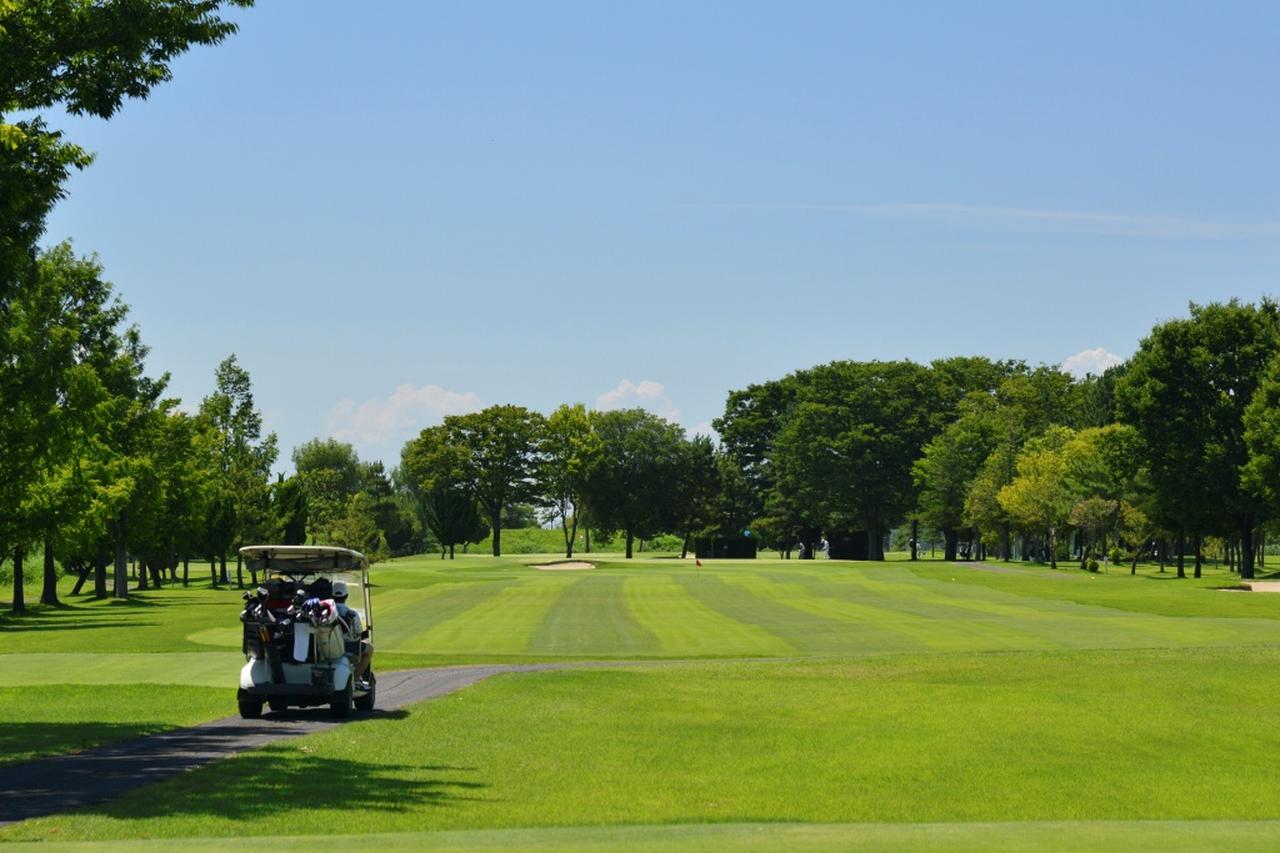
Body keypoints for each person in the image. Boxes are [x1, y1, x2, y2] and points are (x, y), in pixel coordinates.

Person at [332, 581, 373, 687]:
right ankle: (354, 679)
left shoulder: (327, 612)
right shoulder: (352, 614)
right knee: (369, 649)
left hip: (329, 646)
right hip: (347, 648)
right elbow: (358, 634)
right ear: (346, 596)